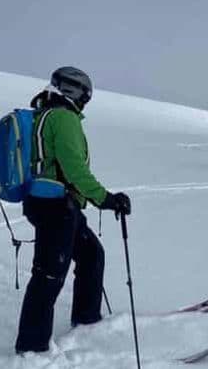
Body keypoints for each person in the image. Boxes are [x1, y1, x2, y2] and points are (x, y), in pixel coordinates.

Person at [15, 66, 131, 354]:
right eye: (84, 95)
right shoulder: (63, 118)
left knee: (91, 255)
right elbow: (74, 169)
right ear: (75, 92)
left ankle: (87, 318)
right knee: (49, 274)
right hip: (54, 206)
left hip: (57, 204)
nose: (84, 100)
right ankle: (32, 347)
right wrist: (106, 198)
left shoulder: (46, 113)